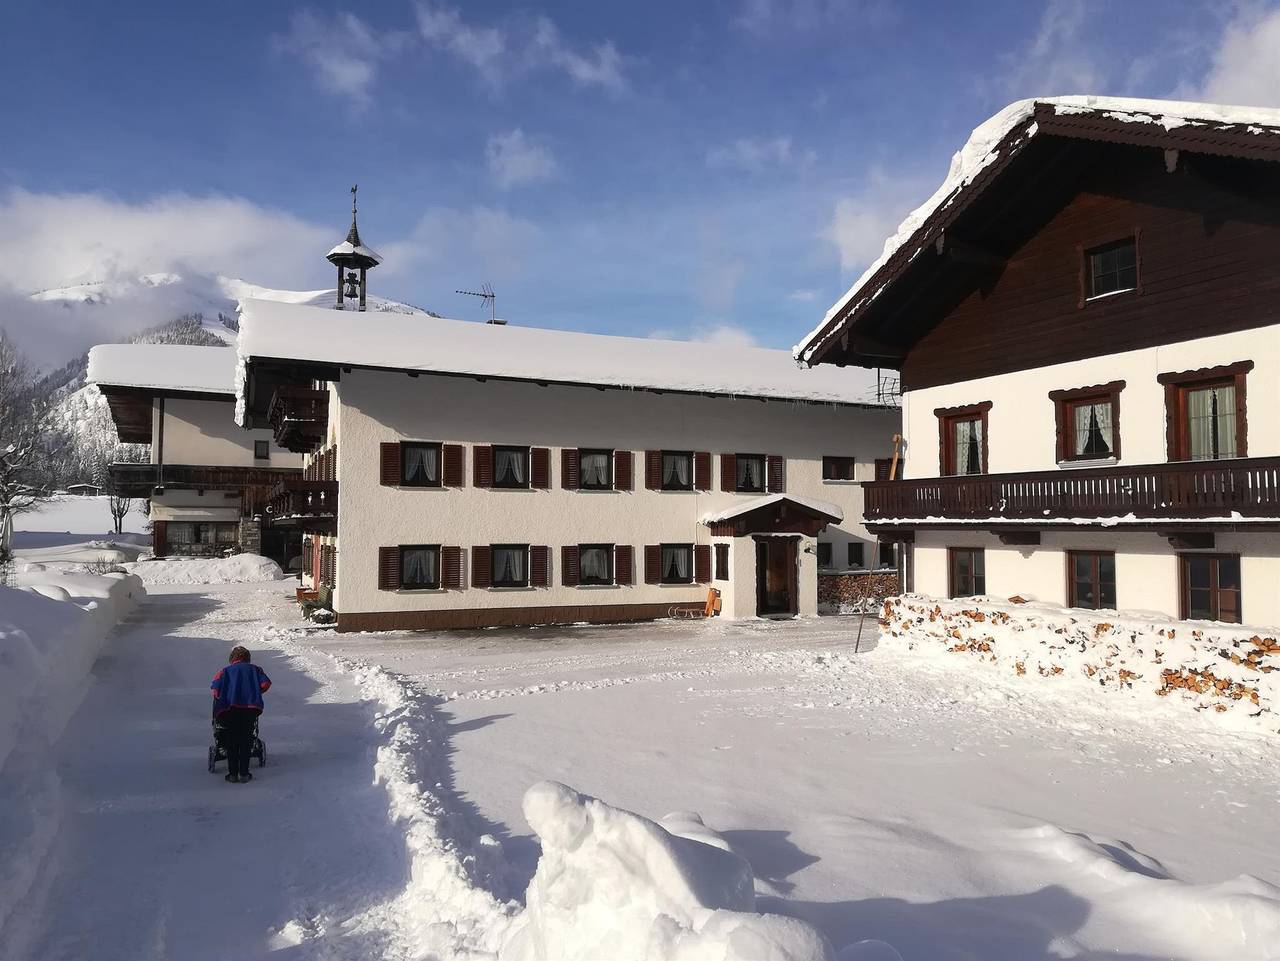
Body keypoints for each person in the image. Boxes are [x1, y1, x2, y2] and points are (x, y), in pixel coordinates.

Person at [211, 645, 271, 783]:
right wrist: (255, 692)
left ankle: (232, 774)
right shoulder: (256, 669)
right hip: (250, 709)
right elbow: (266, 684)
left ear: (232, 659)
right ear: (247, 658)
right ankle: (244, 773)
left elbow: (215, 690)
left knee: (232, 740)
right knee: (246, 739)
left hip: (229, 709)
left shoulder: (223, 672)